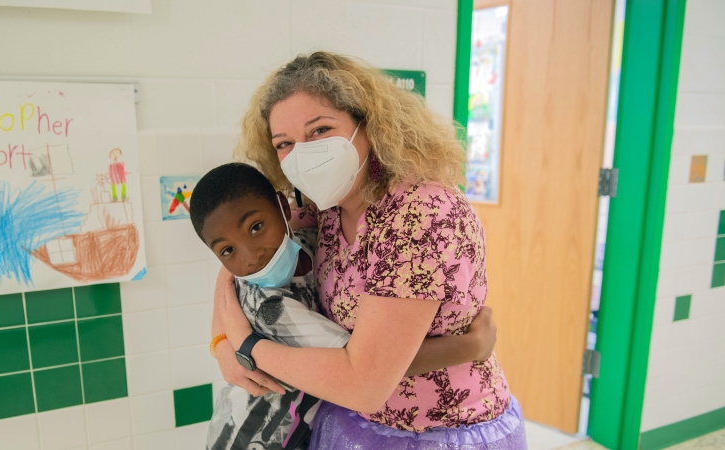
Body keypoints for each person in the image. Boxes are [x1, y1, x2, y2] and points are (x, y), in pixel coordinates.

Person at [213, 52, 527, 449]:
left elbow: (365, 383)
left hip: (443, 433)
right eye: (284, 143)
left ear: (369, 126)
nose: (304, 154)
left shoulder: (418, 214)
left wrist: (248, 347)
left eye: (320, 130)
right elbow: (241, 256)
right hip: (357, 421)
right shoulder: (325, 207)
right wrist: (221, 345)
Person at [194, 163, 498, 449]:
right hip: (253, 438)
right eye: (228, 250)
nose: (250, 257)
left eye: (257, 227)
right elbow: (367, 365)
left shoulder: (311, 238)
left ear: (284, 208)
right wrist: (471, 347)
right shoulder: (271, 308)